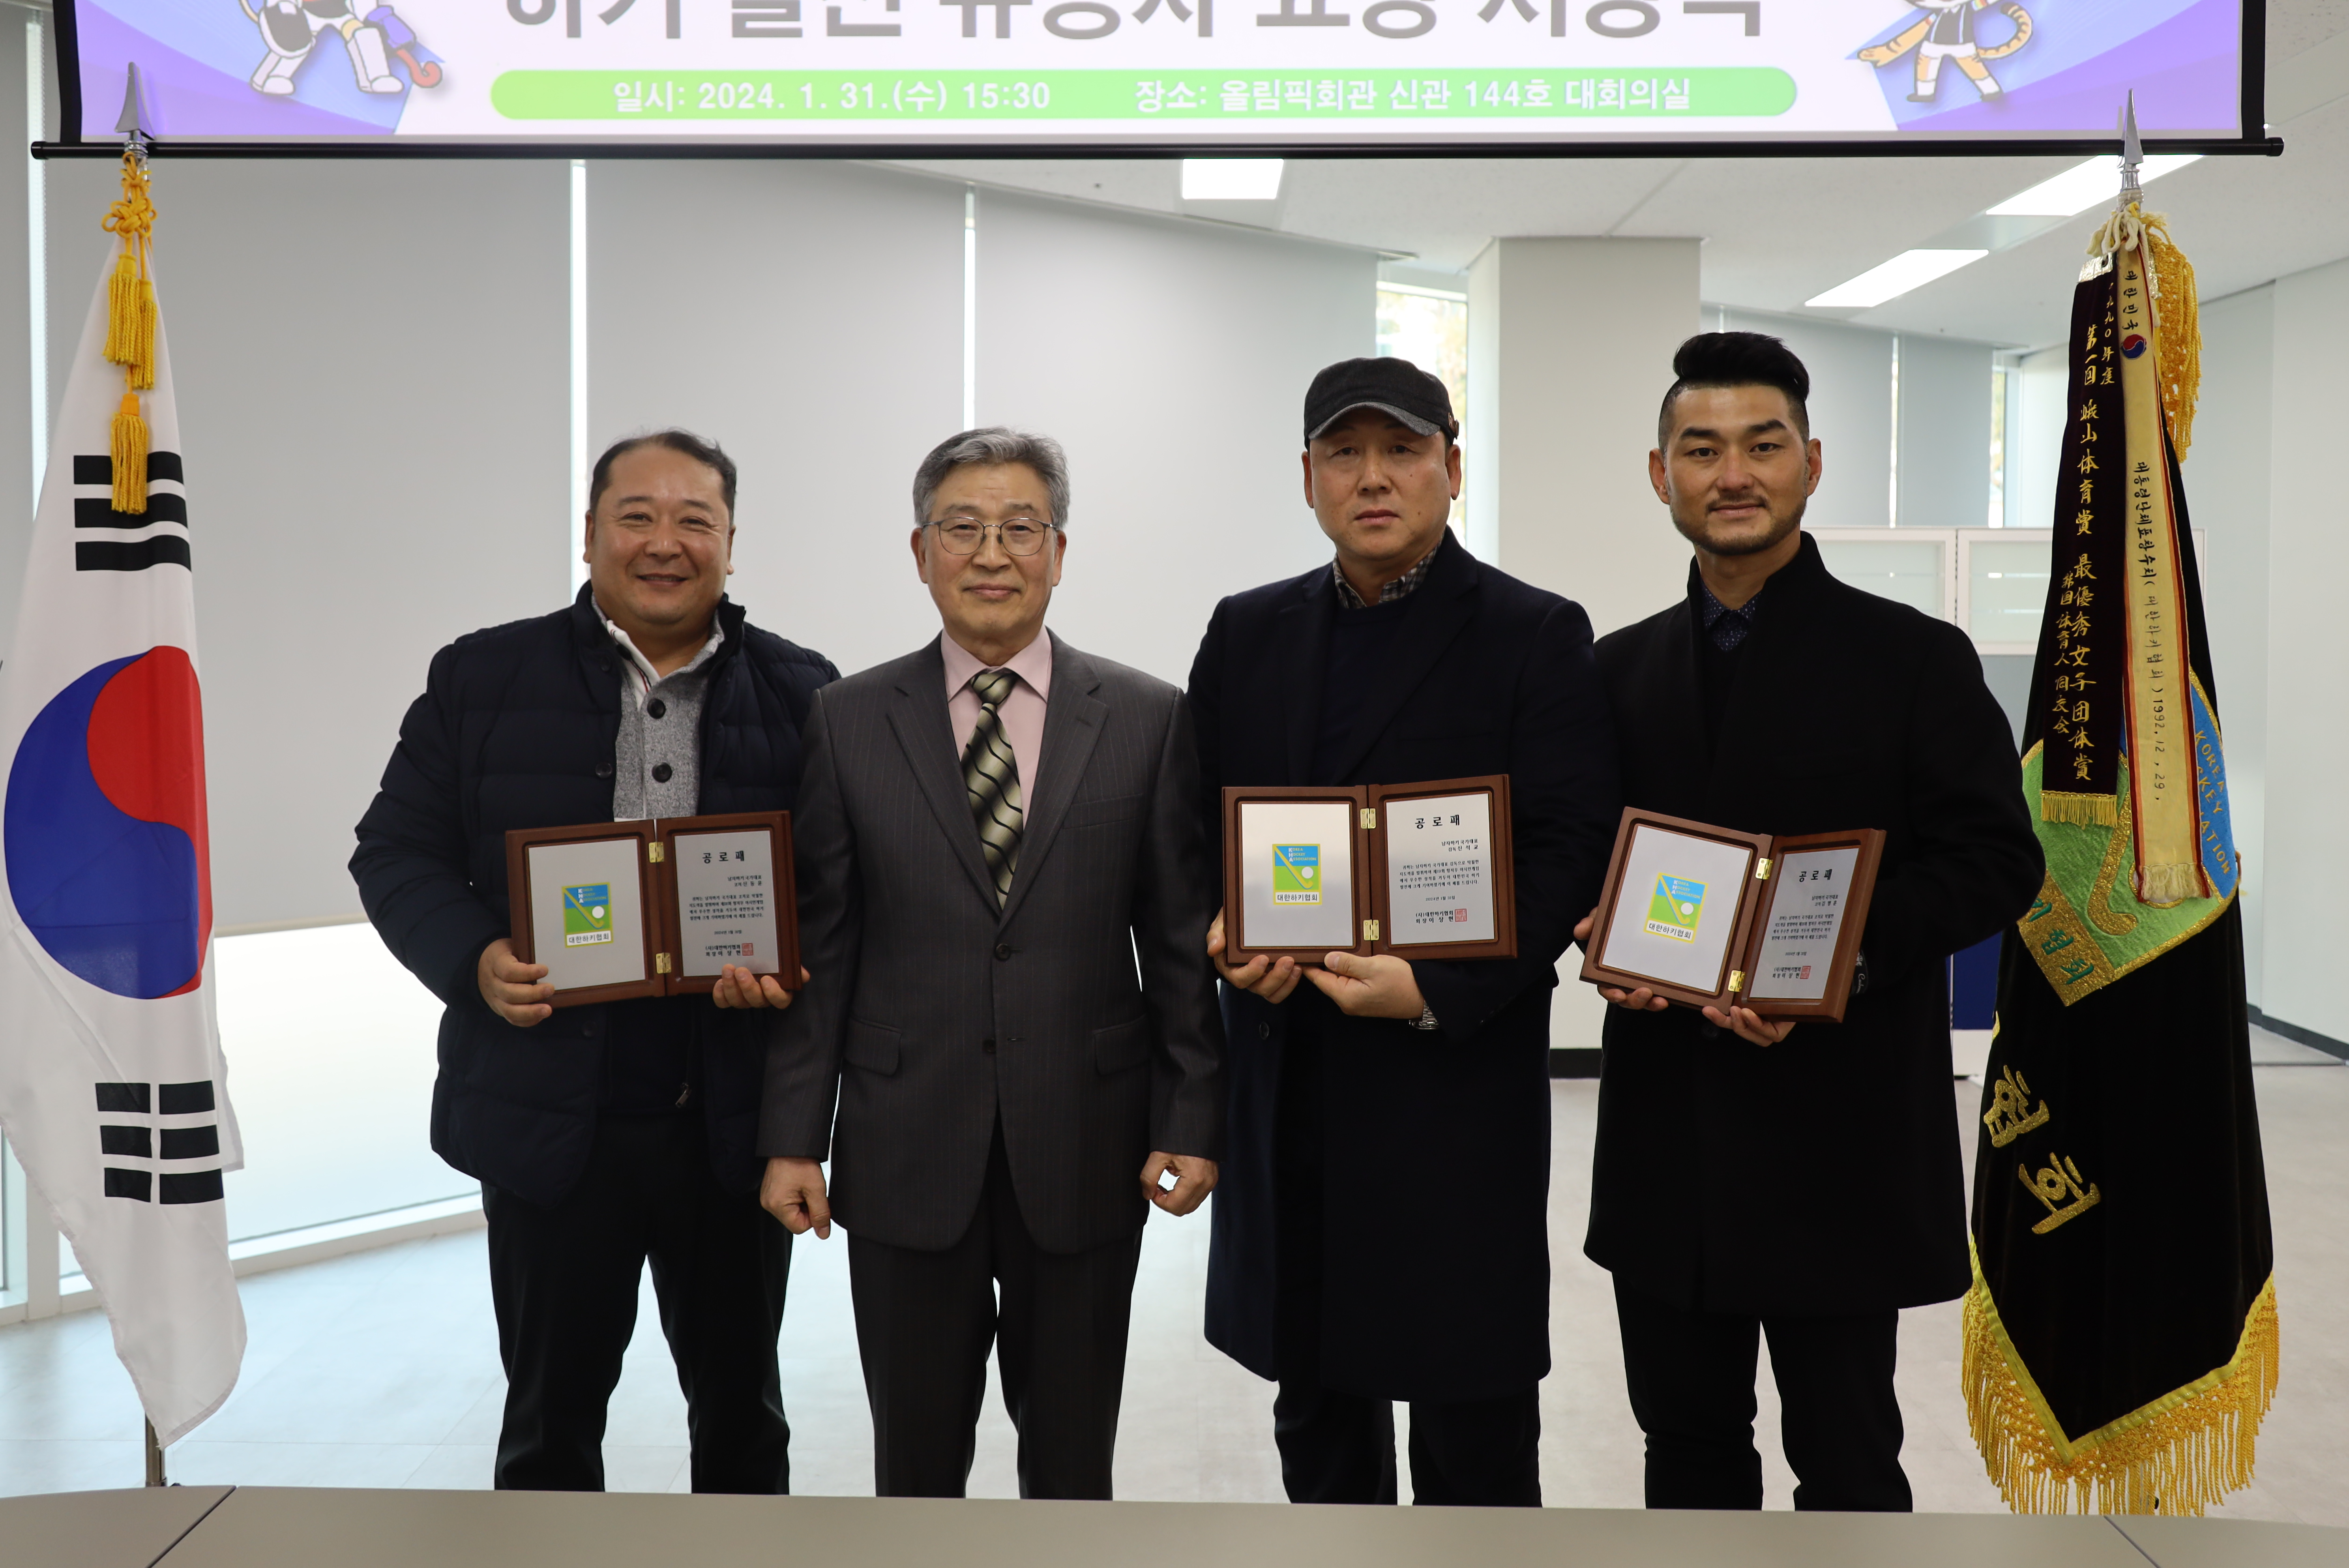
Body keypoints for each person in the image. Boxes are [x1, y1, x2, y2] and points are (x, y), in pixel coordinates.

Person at [1583, 330, 2043, 1511]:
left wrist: (1838, 959)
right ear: (1661, 475)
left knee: (1847, 1460)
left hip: (1839, 1128)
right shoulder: (1614, 672)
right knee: (1685, 1450)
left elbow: (1997, 862)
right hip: (1669, 1137)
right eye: (1702, 450)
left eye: (1764, 444)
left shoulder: (1915, 659)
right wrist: (1597, 936)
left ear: (1813, 463)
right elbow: (1584, 862)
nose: (1733, 474)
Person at [350, 430, 834, 1493]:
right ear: (589, 533)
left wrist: (790, 968)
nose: (666, 542)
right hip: (549, 1124)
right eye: (637, 516)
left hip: (730, 1127)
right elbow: (393, 853)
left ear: (731, 543)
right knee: (549, 1426)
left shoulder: (807, 692)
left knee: (744, 1421)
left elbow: (829, 890)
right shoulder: (484, 677)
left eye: (695, 520)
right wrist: (476, 960)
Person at [759, 427, 1224, 1501]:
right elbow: (825, 945)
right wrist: (793, 1135)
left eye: (1021, 528)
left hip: (1088, 1142)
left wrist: (1191, 1116)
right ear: (920, 552)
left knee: (1072, 1466)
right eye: (962, 528)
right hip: (904, 1144)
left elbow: (1176, 944)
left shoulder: (1148, 717)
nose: (991, 554)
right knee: (916, 1467)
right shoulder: (847, 719)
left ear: (1059, 551)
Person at [1188, 356, 1621, 1506]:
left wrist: (1435, 991)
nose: (1372, 478)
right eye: (1345, 453)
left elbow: (1570, 844)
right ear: (1308, 478)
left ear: (1452, 468)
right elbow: (1195, 829)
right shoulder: (1249, 632)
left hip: (1449, 1086)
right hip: (1291, 1069)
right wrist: (1225, 935)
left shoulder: (1532, 632)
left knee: (1473, 1420)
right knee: (1317, 1411)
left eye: (1402, 450)